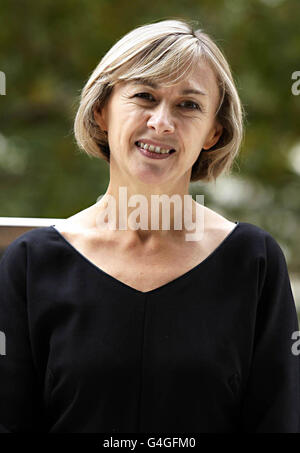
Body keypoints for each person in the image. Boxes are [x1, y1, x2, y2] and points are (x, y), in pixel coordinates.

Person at [0, 18, 299, 433]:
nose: (162, 122)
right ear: (102, 110)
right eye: (144, 96)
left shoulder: (253, 261)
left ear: (213, 131)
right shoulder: (31, 264)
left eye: (188, 105)